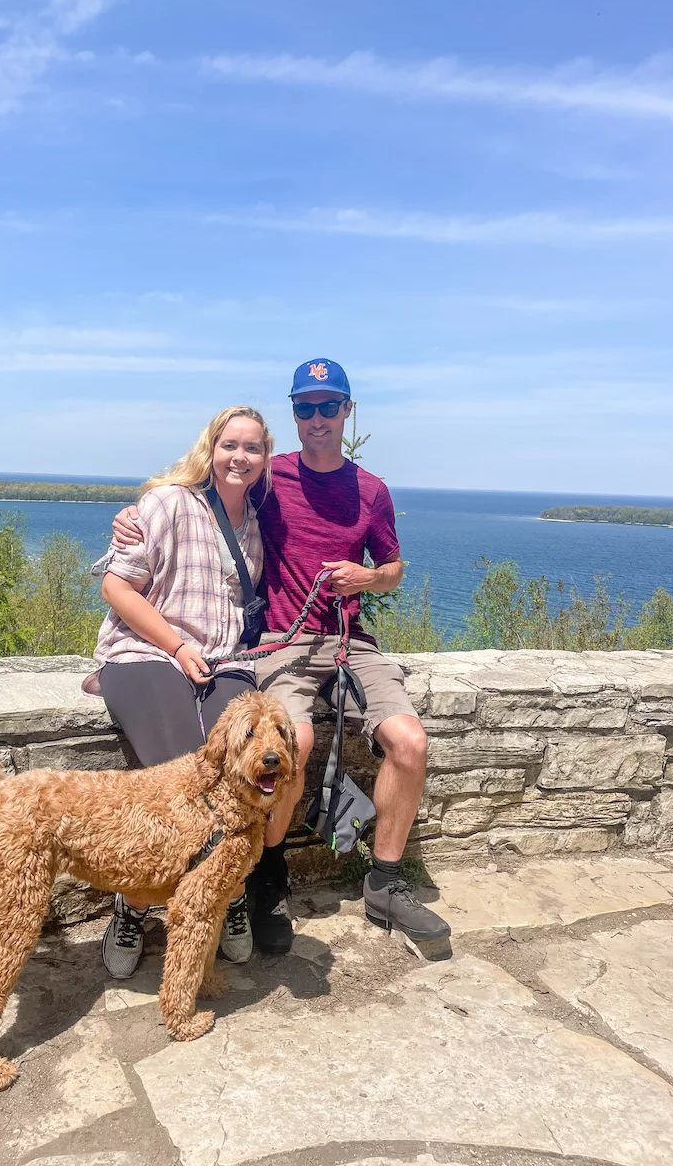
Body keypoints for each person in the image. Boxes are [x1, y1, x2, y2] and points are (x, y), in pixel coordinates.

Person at [111, 360, 451, 954]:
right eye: (304, 407)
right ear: (293, 416)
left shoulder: (371, 490)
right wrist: (135, 515)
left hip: (351, 643)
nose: (316, 419)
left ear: (348, 411)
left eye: (328, 406)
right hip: (282, 645)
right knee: (289, 744)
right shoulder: (271, 479)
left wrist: (367, 577)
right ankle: (266, 879)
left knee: (410, 741)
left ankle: (386, 881)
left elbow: (394, 570)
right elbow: (209, 494)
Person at [88, 405, 273, 979]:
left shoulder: (259, 520)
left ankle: (228, 892)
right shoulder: (168, 503)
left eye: (253, 448)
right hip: (146, 653)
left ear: (266, 457)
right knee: (175, 770)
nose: (240, 457)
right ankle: (136, 900)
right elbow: (116, 586)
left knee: (239, 767)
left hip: (222, 661)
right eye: (229, 445)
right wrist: (174, 645)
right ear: (210, 448)